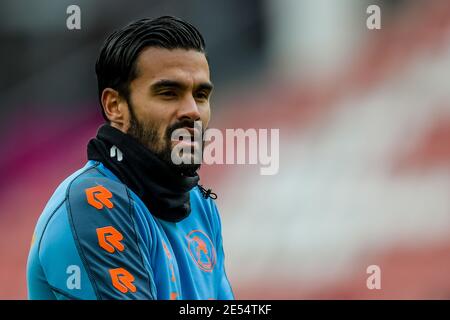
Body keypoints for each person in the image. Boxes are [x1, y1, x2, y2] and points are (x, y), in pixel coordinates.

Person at [26, 16, 234, 300]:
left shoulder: (199, 203)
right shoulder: (94, 203)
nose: (193, 111)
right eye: (168, 93)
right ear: (115, 106)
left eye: (200, 95)